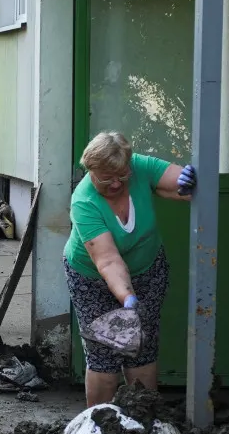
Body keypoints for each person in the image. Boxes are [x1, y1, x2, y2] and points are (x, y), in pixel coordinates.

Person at [64, 131, 196, 407]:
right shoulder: (84, 201)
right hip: (92, 279)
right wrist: (128, 299)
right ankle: (98, 426)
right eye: (106, 178)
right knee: (105, 353)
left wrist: (192, 179)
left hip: (147, 268)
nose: (115, 184)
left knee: (142, 348)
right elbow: (108, 261)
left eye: (122, 176)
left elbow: (177, 182)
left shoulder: (139, 167)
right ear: (91, 171)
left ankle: (142, 420)